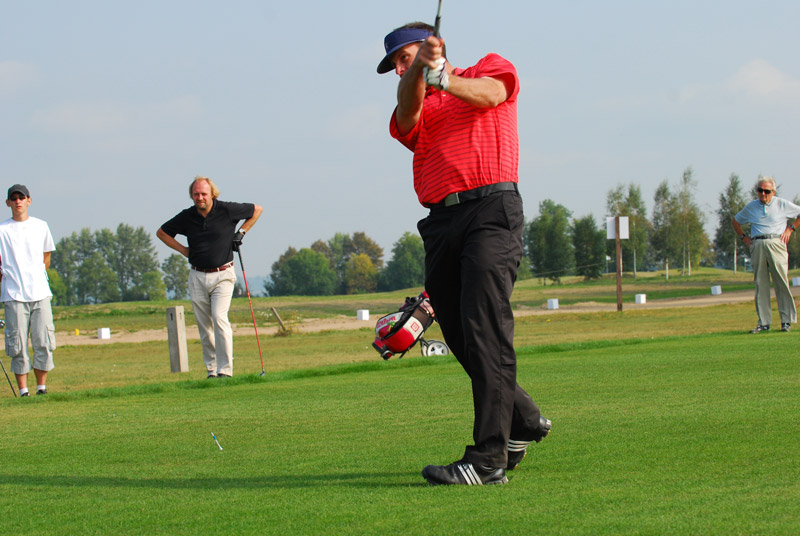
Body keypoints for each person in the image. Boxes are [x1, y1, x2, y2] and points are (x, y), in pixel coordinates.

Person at [378, 22, 551, 486]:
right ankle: (524, 420)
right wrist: (419, 72)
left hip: (491, 211)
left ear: (436, 49)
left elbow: (492, 95)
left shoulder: (487, 68)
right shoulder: (411, 104)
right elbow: (407, 112)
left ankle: (488, 459)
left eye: (405, 57)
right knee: (458, 333)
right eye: (396, 64)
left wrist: (444, 77)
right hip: (440, 223)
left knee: (484, 325)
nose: (400, 68)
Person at [157, 177, 262, 378]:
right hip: (197, 275)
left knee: (219, 317)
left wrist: (241, 233)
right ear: (192, 196)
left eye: (204, 194)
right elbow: (162, 233)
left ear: (212, 194)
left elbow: (257, 209)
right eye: (196, 194)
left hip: (223, 274)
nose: (200, 198)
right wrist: (183, 250)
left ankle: (225, 370)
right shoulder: (187, 216)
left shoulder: (226, 210)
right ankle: (212, 371)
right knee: (204, 325)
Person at [0, 184, 57, 396]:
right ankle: (23, 390)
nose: (17, 202)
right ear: (8, 203)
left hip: (40, 293)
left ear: (28, 200)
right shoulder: (2, 230)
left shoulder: (41, 226)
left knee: (43, 341)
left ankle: (41, 387)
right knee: (17, 344)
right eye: (13, 198)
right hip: (13, 295)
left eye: (21, 198)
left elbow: (46, 257)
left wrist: (37, 278)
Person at [732, 176, 800, 333]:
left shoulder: (781, 204)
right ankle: (764, 322)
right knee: (760, 284)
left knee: (781, 282)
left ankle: (786, 321)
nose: (763, 194)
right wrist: (744, 238)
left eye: (766, 191)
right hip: (757, 244)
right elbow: (736, 221)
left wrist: (790, 229)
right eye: (760, 190)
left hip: (777, 242)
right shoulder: (751, 207)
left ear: (773, 191)